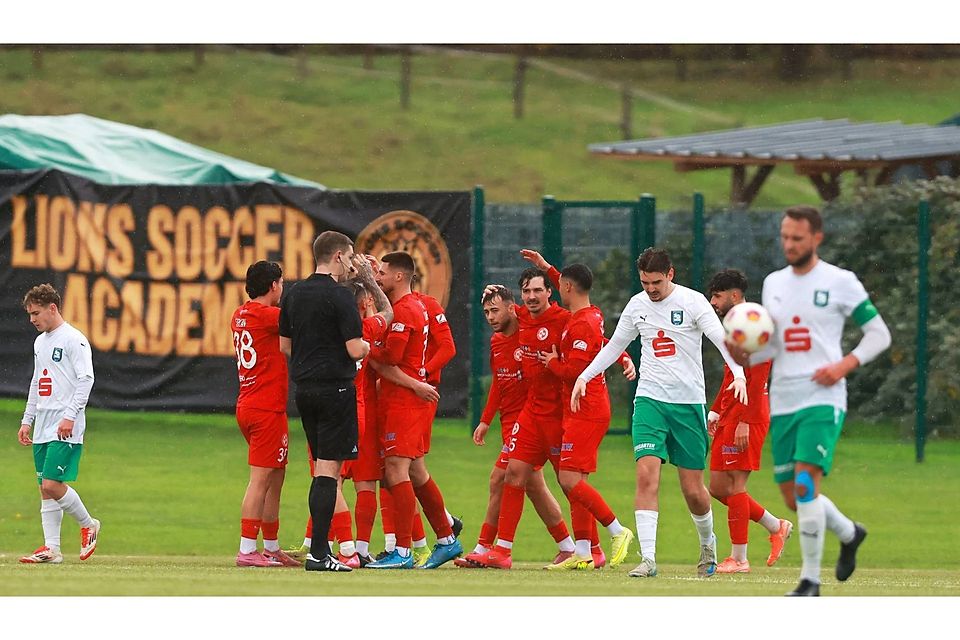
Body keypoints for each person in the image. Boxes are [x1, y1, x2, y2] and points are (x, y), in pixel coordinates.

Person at [728, 205, 891, 596]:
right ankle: (850, 533)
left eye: (797, 238)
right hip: (784, 399)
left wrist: (844, 365)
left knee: (805, 484)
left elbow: (879, 334)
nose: (789, 244)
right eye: (784, 237)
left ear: (816, 238)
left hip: (823, 395)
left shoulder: (841, 281)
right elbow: (775, 347)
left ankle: (810, 581)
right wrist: (746, 355)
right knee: (793, 496)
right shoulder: (774, 284)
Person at [572, 248, 748, 579]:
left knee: (693, 491)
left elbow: (720, 339)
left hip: (688, 404)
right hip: (650, 400)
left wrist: (738, 373)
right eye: (644, 282)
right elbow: (614, 346)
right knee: (646, 474)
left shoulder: (694, 302)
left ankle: (708, 542)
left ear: (671, 274)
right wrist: (585, 375)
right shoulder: (637, 306)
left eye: (656, 282)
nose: (650, 289)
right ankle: (648, 559)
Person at [455, 285, 584, 569]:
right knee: (533, 486)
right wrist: (486, 420)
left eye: (495, 310)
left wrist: (621, 355)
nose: (490, 316)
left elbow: (578, 328)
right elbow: (500, 383)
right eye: (486, 311)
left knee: (500, 479)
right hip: (512, 422)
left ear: (513, 308)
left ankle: (486, 546)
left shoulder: (530, 323)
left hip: (534, 420)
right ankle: (568, 546)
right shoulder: (497, 341)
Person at [534, 258, 637, 570]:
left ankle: (618, 531)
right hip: (578, 408)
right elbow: (600, 346)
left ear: (566, 287)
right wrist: (547, 266)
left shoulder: (583, 323)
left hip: (588, 409)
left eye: (558, 285)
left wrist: (550, 361)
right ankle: (582, 551)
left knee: (568, 478)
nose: (556, 289)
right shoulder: (585, 315)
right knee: (573, 480)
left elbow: (574, 371)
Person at [279, 230, 370, 572]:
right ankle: (319, 552)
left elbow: (285, 347)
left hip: (304, 391)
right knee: (329, 474)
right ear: (337, 256)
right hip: (336, 389)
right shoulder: (341, 296)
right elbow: (353, 348)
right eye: (348, 257)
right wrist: (367, 349)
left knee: (321, 471)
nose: (350, 264)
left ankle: (320, 549)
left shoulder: (294, 293)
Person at [366, 251, 462, 569]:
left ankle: (403, 551)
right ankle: (447, 539)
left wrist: (364, 346)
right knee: (417, 473)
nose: (378, 277)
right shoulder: (408, 306)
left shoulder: (406, 310)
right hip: (407, 398)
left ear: (398, 276)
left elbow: (391, 358)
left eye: (382, 272)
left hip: (403, 401)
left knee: (396, 471)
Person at [704, 268, 792, 574]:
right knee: (717, 487)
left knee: (736, 484)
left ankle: (739, 558)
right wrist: (717, 410)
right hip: (731, 412)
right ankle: (775, 525)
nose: (713, 302)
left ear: (734, 296)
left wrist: (744, 420)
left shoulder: (756, 325)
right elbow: (733, 373)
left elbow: (757, 378)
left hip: (749, 416)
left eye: (717, 296)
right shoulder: (735, 326)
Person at [18, 283, 101, 565]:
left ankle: (89, 524)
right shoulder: (40, 342)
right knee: (44, 486)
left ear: (53, 308)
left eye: (36, 313)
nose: (32, 319)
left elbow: (86, 379)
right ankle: (51, 549)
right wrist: (27, 419)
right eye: (30, 314)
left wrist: (70, 415)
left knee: (53, 484)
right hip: (43, 422)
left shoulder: (73, 339)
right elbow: (36, 381)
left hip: (65, 424)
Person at [231, 261, 299, 568]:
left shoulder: (240, 314)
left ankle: (270, 547)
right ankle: (247, 549)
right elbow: (298, 321)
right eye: (281, 283)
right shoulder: (271, 316)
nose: (282, 289)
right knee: (260, 480)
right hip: (266, 408)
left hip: (248, 403)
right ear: (273, 285)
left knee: (275, 475)